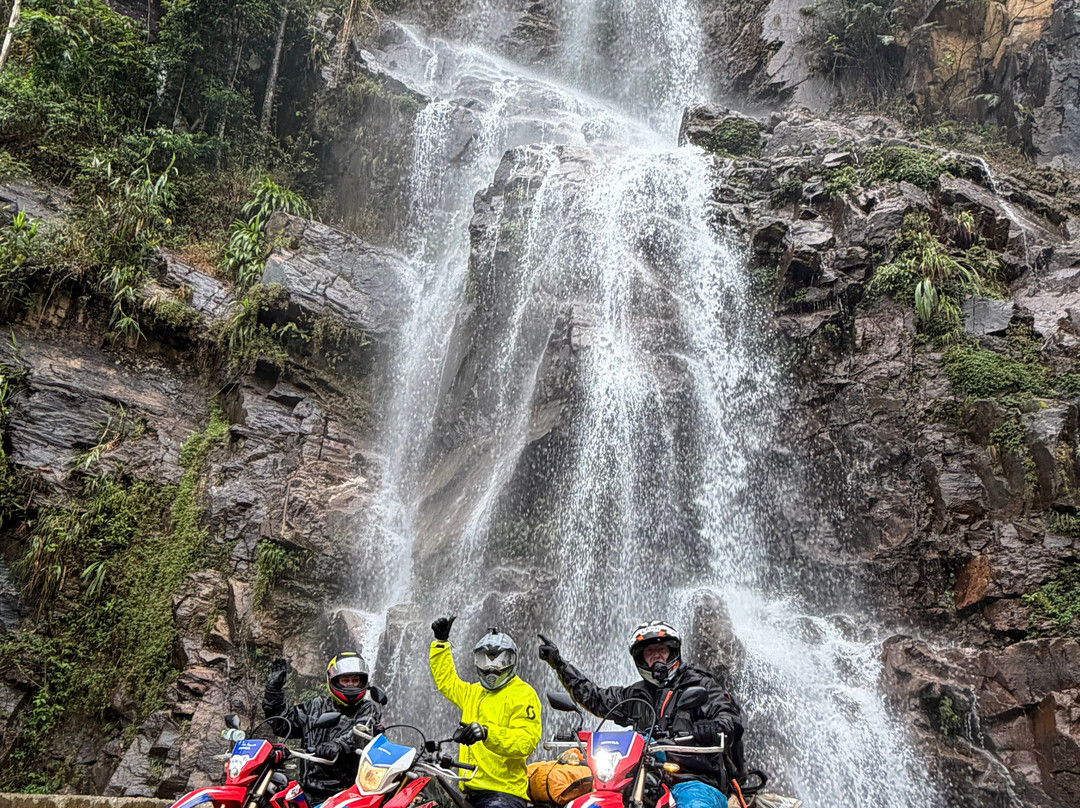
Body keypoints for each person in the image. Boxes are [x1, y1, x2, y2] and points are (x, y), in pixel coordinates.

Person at [538, 621, 744, 808]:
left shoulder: (701, 685)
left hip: (692, 779)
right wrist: (560, 665)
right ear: (641, 658)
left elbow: (729, 716)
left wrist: (713, 728)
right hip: (644, 777)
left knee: (694, 805)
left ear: (673, 652)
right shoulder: (636, 694)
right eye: (649, 651)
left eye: (662, 649)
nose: (656, 655)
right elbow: (596, 699)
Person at [429, 615, 543, 808]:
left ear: (511, 661)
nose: (491, 668)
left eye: (499, 661)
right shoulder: (473, 692)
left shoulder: (523, 694)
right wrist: (441, 643)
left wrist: (487, 732)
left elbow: (525, 741)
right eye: (484, 660)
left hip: (504, 794)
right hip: (471, 792)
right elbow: (447, 682)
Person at [264, 651, 384, 804]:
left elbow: (361, 732)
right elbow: (282, 724)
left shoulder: (368, 709)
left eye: (355, 680)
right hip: (307, 791)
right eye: (345, 680)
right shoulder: (316, 705)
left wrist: (337, 746)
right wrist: (273, 691)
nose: (351, 684)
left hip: (344, 794)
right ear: (333, 680)